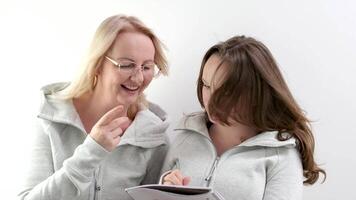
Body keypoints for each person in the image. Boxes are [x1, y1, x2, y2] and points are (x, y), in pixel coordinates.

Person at [18, 14, 169, 200]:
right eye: (126, 65)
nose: (138, 78)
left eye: (147, 67)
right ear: (97, 64)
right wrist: (92, 151)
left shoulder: (154, 136)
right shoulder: (51, 118)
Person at [160, 35, 326, 200]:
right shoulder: (186, 138)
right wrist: (164, 191)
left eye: (225, 91)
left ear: (255, 94)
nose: (211, 100)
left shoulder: (281, 155)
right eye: (206, 85)